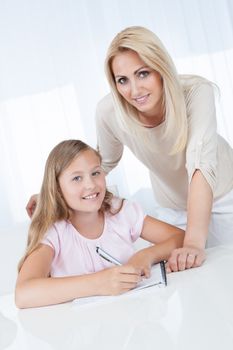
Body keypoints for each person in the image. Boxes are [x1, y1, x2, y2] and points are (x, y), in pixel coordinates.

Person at [26, 26, 233, 272]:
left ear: (160, 68)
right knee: (183, 284)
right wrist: (55, 193)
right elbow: (100, 165)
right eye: (122, 80)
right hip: (173, 207)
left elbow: (201, 165)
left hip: (223, 198)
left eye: (143, 73)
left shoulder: (197, 92)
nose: (134, 91)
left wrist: (194, 243)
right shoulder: (109, 112)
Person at [17, 139, 184, 308]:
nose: (90, 185)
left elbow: (179, 237)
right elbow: (23, 294)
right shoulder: (54, 231)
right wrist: (99, 283)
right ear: (58, 189)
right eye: (77, 178)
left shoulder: (120, 211)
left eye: (95, 173)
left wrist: (145, 256)